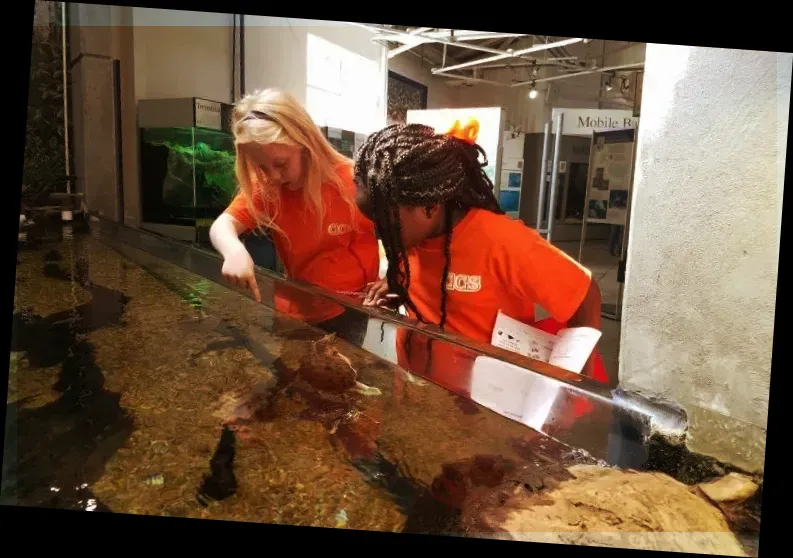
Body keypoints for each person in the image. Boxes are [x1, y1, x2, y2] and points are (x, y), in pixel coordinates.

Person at [355, 119, 608, 389]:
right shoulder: (411, 243)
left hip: (489, 404)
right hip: (420, 392)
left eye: (385, 223)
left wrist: (571, 383)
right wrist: (397, 288)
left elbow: (585, 295)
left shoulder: (502, 241)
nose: (377, 234)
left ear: (429, 206)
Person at [209, 88, 379, 344]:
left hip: (351, 308)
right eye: (261, 167)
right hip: (295, 307)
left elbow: (401, 234)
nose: (273, 176)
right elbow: (223, 225)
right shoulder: (269, 188)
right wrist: (234, 251)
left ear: (305, 145)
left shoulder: (352, 181)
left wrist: (395, 279)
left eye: (281, 163)